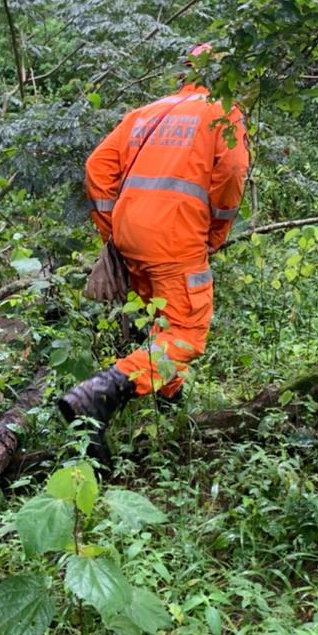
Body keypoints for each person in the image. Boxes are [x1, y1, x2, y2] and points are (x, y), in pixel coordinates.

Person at [58, 45, 250, 462]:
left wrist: (114, 229)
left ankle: (170, 408)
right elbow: (233, 175)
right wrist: (214, 234)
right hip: (176, 239)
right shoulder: (223, 112)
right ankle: (98, 394)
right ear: (227, 75)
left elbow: (97, 168)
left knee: (162, 324)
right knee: (185, 333)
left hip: (132, 236)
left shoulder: (147, 113)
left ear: (185, 73)